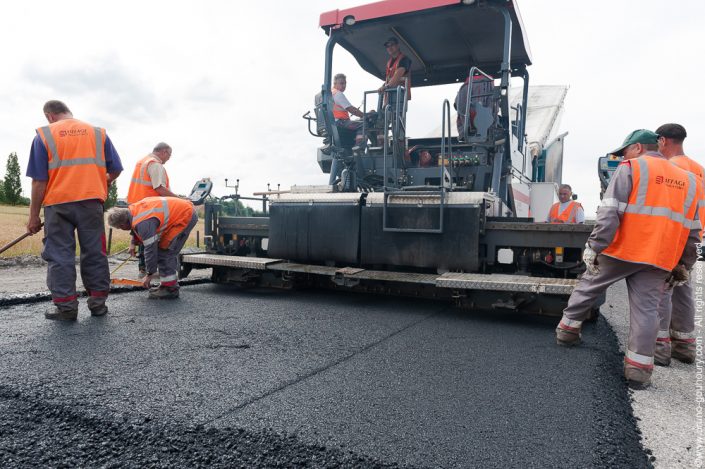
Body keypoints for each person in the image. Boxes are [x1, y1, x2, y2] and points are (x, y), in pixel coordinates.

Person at [554, 129, 700, 389]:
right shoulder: (688, 180)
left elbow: (610, 212)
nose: (623, 157)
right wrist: (684, 264)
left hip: (623, 250)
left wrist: (594, 246)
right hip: (659, 257)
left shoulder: (631, 168)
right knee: (647, 311)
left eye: (625, 151)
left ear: (638, 148)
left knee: (589, 285)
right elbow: (692, 230)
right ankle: (639, 371)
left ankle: (567, 332)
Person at [26, 100, 123, 321]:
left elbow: (39, 181)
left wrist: (33, 217)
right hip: (91, 203)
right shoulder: (98, 134)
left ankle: (66, 308)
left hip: (58, 205)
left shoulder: (44, 135)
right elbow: (115, 169)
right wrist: (101, 180)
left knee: (60, 255)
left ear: (49, 116)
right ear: (68, 112)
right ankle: (98, 304)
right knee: (95, 253)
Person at [653, 123, 704, 366]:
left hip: (676, 239)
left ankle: (659, 349)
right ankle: (684, 347)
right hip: (696, 239)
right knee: (684, 290)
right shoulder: (698, 169)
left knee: (663, 290)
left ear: (663, 141)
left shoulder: (670, 168)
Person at [107, 196, 197, 299]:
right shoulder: (132, 210)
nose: (122, 229)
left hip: (186, 215)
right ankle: (166, 285)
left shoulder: (143, 223)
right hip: (184, 210)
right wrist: (133, 242)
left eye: (119, 228)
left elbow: (150, 250)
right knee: (163, 250)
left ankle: (170, 289)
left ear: (122, 225)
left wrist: (149, 275)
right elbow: (135, 226)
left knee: (165, 252)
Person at [126, 142, 180, 277]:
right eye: (170, 154)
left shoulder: (142, 162)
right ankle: (151, 272)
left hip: (137, 206)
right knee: (151, 240)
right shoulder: (155, 164)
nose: (169, 158)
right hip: (150, 208)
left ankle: (143, 269)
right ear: (164, 152)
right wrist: (179, 199)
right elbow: (159, 188)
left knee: (143, 238)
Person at [332, 73, 366, 149]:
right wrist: (365, 116)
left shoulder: (330, 94)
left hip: (334, 123)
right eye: (341, 83)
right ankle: (359, 148)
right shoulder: (338, 94)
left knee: (358, 122)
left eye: (345, 83)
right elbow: (352, 110)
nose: (344, 86)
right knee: (364, 124)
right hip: (340, 123)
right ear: (335, 83)